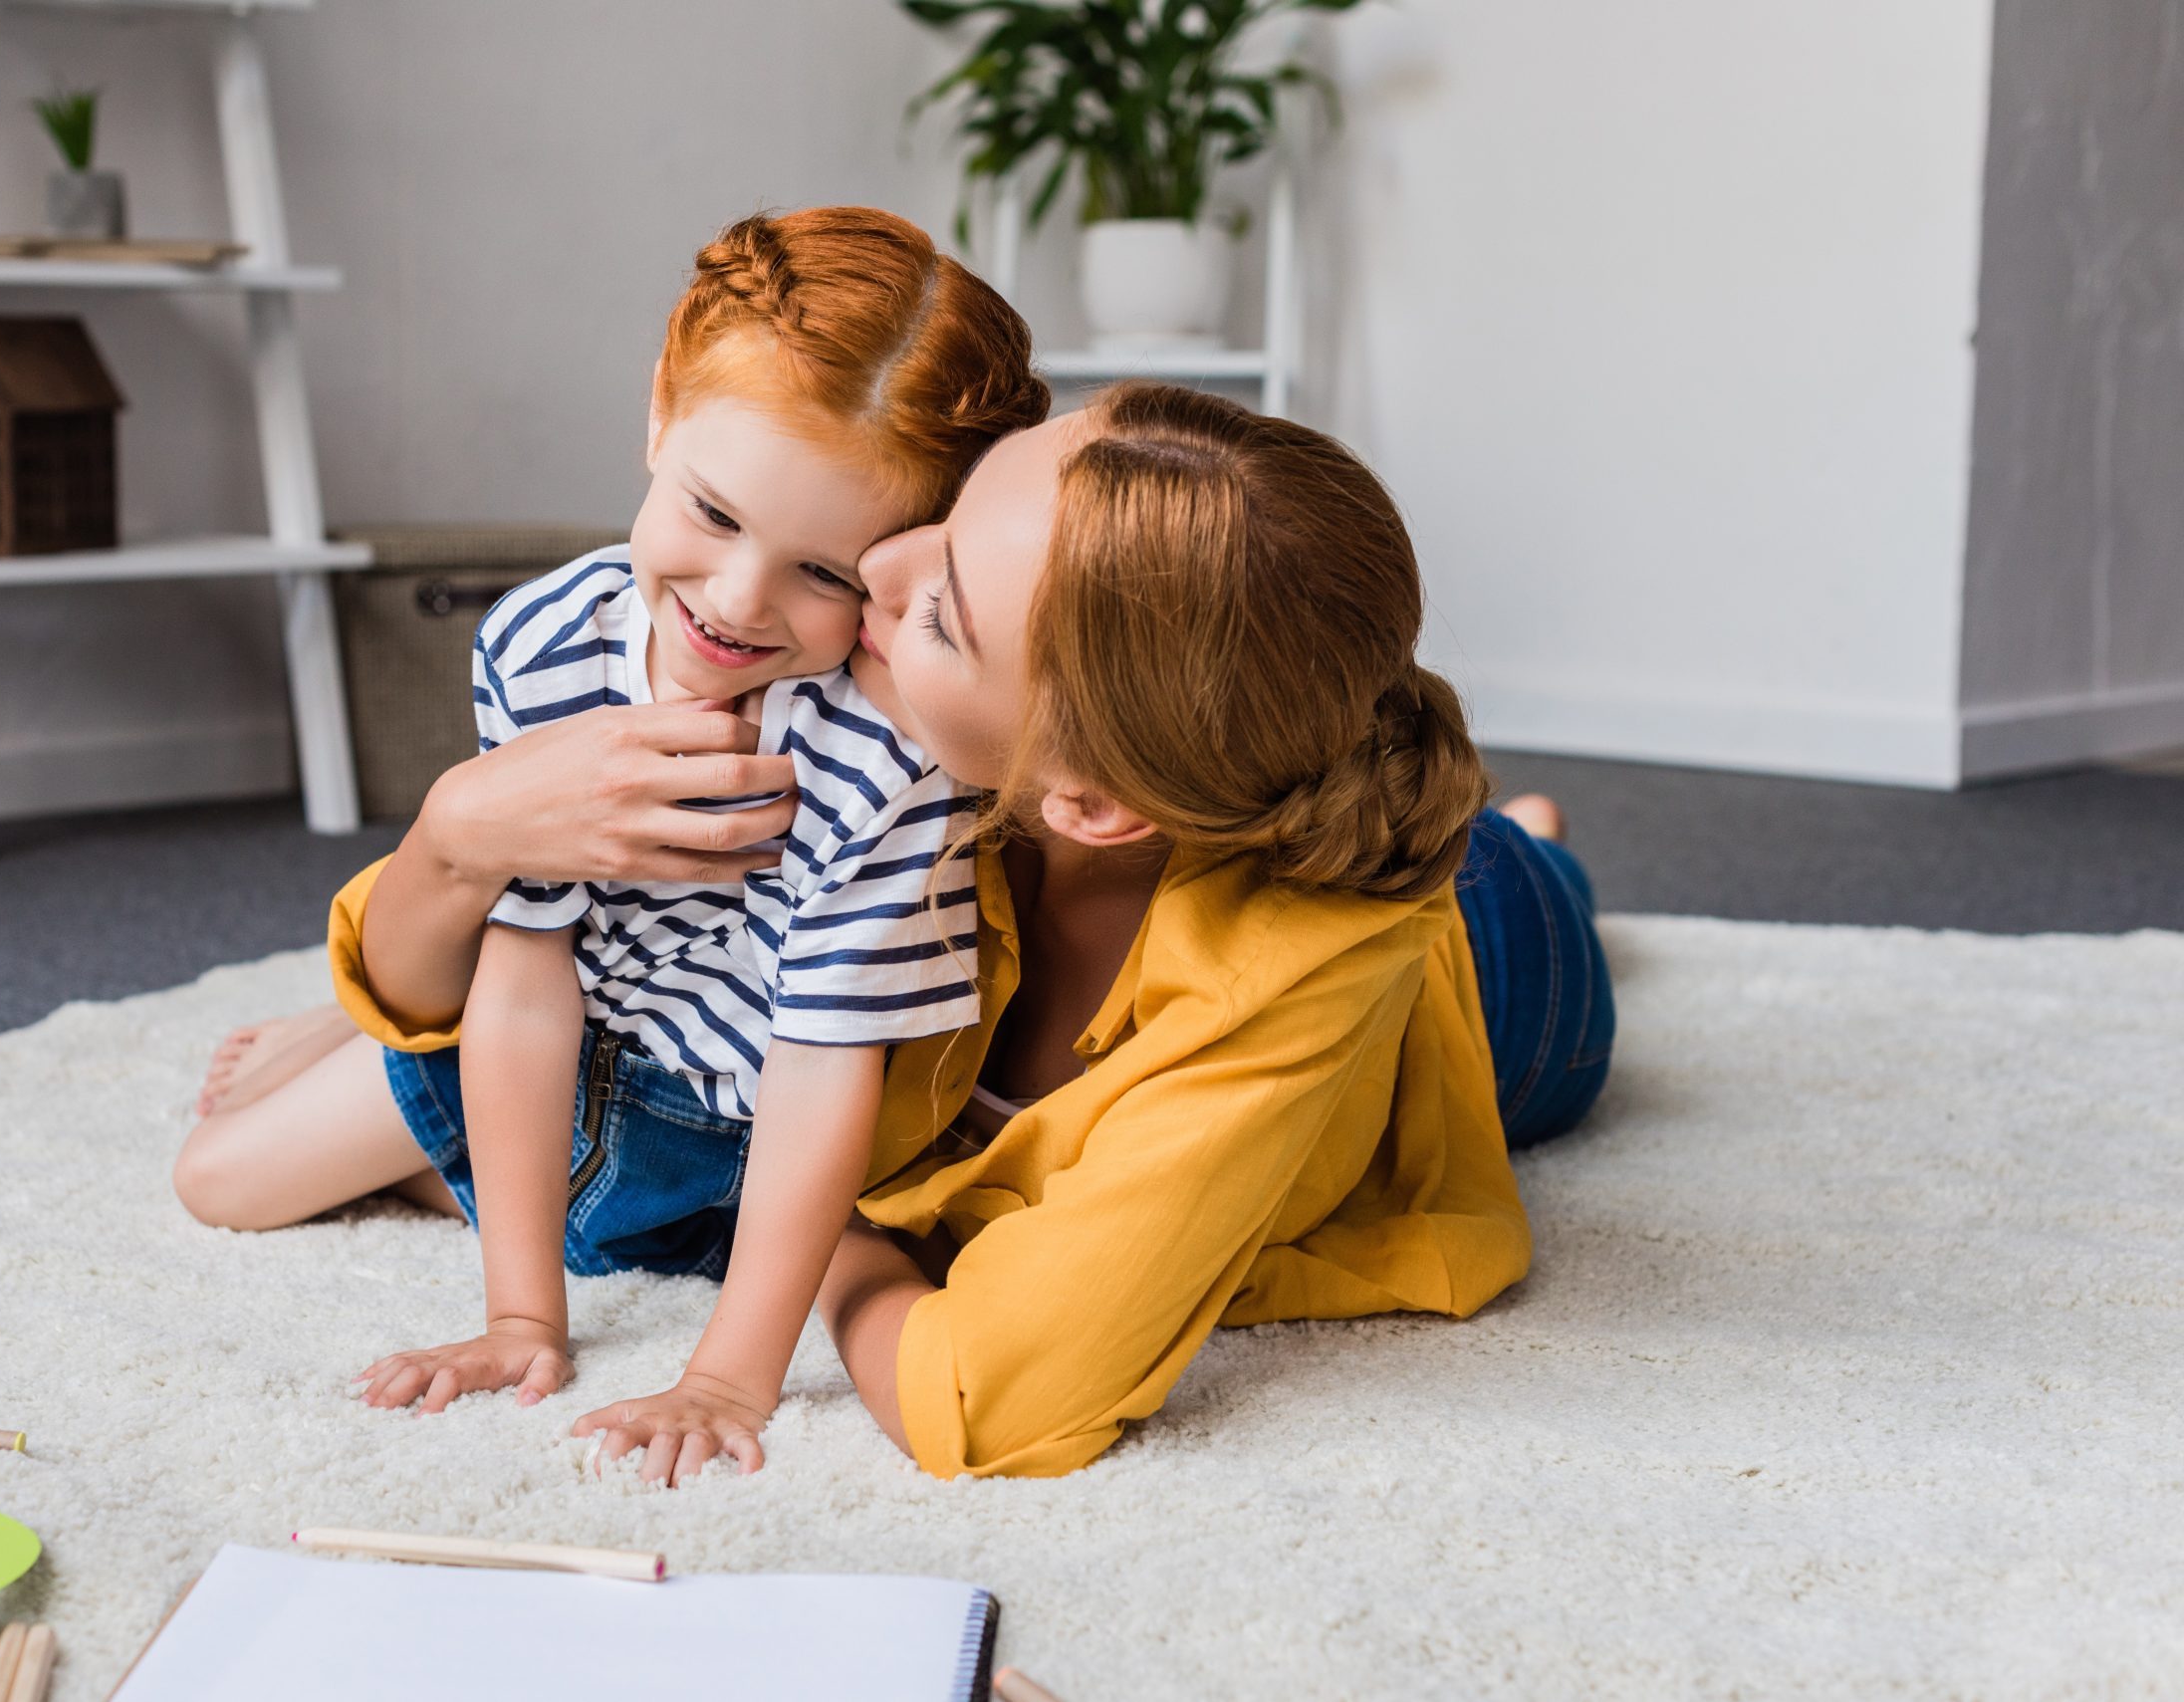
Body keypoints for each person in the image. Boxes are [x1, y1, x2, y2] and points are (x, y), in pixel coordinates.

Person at [198, 380, 1614, 1484]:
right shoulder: (899, 725)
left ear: (1089, 798)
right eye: (949, 509)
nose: (871, 568)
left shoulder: (1273, 987)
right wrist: (454, 842)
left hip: (1493, 973)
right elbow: (602, 935)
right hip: (1225, 776)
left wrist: (827, 1243)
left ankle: (1538, 845)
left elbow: (993, 1401)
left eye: (934, 608)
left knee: (1505, 882)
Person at [176, 205, 1052, 1480]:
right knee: (217, 1174)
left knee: (849, 1261)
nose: (739, 603)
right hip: (565, 1032)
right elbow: (526, 981)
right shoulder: (542, 642)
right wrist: (519, 1317)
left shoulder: (886, 759)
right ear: (659, 415)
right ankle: (379, 1051)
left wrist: (725, 1378)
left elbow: (823, 1076)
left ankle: (457, 1136)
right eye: (711, 511)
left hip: (741, 1123)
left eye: (826, 574)